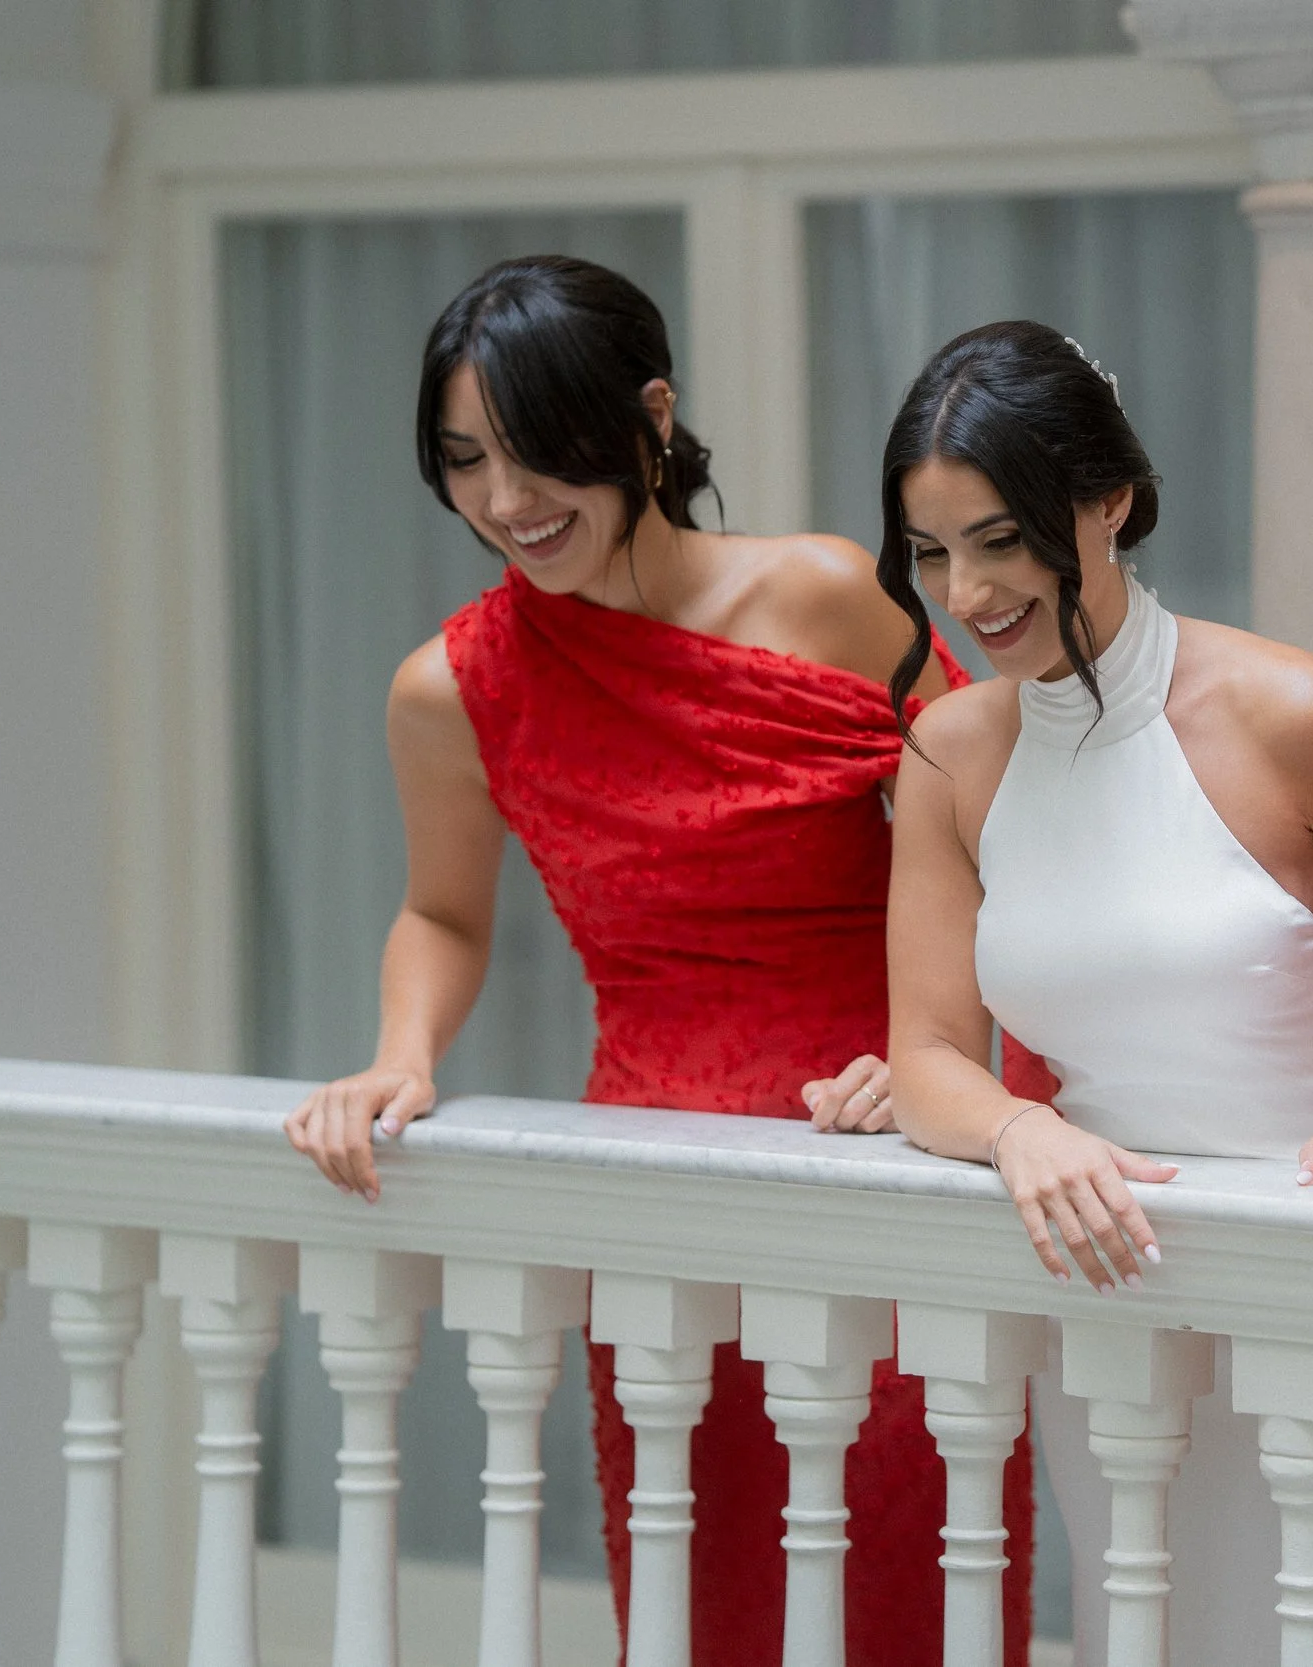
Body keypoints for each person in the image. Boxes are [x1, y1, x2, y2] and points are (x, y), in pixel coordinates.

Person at [279, 255, 1022, 1667]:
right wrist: (398, 1054)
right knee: (704, 1602)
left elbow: (1000, 828)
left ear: (651, 418)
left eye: (541, 448)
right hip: (654, 1193)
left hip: (884, 1143)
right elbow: (442, 911)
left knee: (921, 1589)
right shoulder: (448, 688)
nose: (507, 500)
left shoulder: (825, 595)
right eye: (464, 459)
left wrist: (943, 1055)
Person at [880, 321, 1313, 1664]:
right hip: (1109, 1297)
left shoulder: (1295, 713)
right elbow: (925, 1057)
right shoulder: (950, 754)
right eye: (930, 552)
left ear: (1109, 501)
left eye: (1001, 538)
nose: (965, 591)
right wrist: (1024, 1130)